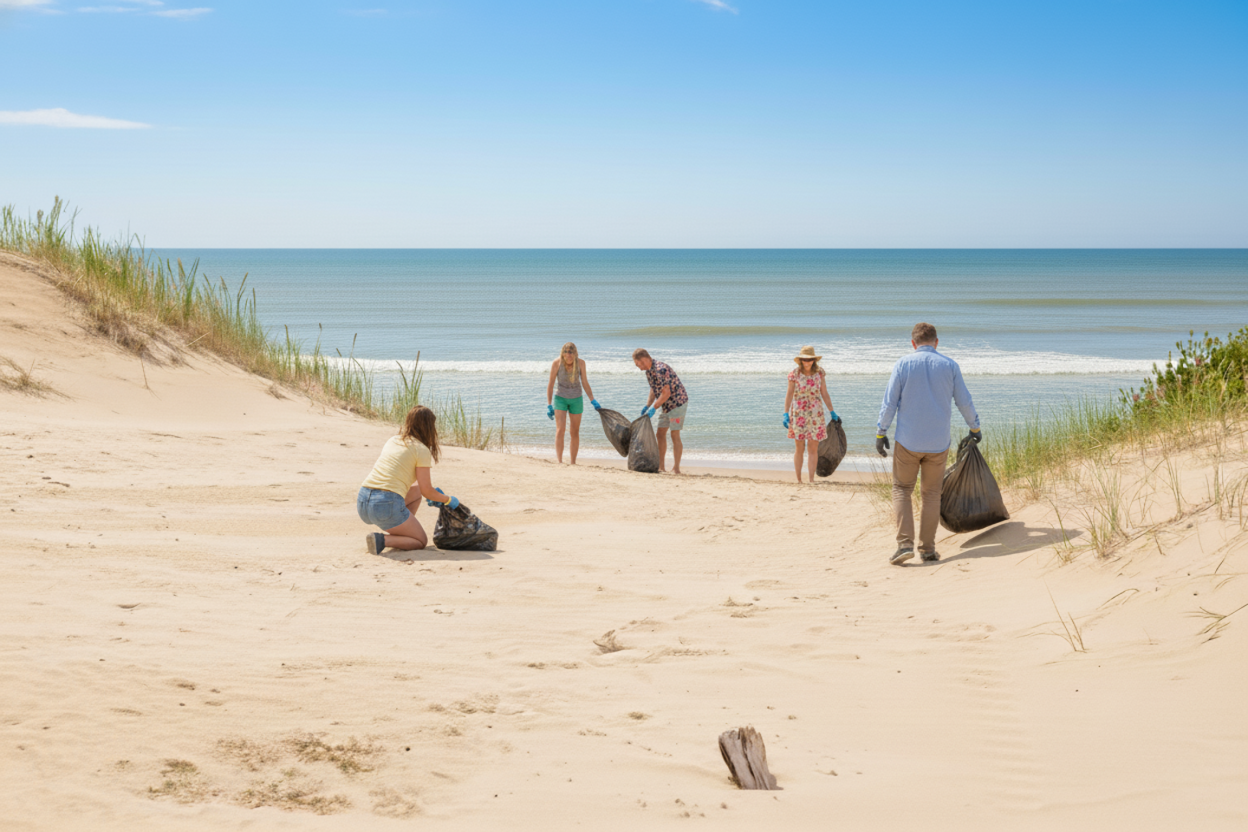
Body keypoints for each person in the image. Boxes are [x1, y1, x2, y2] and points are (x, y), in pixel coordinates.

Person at [875, 322, 981, 565]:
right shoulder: (950, 365)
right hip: (938, 443)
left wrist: (881, 432)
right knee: (932, 495)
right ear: (936, 342)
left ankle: (904, 545)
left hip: (908, 442)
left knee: (902, 489)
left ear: (913, 344)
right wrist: (975, 427)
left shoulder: (903, 364)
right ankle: (928, 550)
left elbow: (889, 402)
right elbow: (964, 401)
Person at [357, 404, 458, 554]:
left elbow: (418, 488)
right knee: (420, 541)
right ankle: (382, 540)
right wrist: (448, 500)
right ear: (429, 428)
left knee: (416, 493)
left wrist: (432, 493)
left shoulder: (393, 440)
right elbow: (427, 491)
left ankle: (402, 531)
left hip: (363, 501)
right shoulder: (421, 449)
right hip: (384, 505)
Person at [783, 345, 838, 483]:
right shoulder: (794, 374)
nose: (807, 362)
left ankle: (811, 479)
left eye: (810, 360)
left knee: (813, 449)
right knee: (799, 448)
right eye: (804, 360)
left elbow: (824, 392)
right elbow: (789, 394)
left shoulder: (820, 373)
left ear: (814, 360)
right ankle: (799, 480)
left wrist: (832, 410)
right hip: (798, 415)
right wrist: (785, 413)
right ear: (800, 360)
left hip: (816, 415)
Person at [632, 348, 689, 474]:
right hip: (665, 405)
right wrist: (647, 405)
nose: (639, 368)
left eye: (638, 364)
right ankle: (661, 466)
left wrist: (654, 408)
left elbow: (666, 393)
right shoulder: (648, 371)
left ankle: (676, 468)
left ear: (644, 359)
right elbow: (654, 389)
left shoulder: (661, 369)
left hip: (677, 404)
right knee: (660, 434)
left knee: (675, 434)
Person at [545, 342, 600, 465]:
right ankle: (559, 461)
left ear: (575, 353)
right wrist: (549, 405)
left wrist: (592, 399)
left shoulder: (581, 363)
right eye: (566, 352)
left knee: (574, 431)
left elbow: (584, 382)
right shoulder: (556, 363)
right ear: (562, 353)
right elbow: (550, 384)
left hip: (576, 399)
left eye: (571, 352)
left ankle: (573, 462)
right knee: (560, 429)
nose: (568, 355)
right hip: (560, 398)